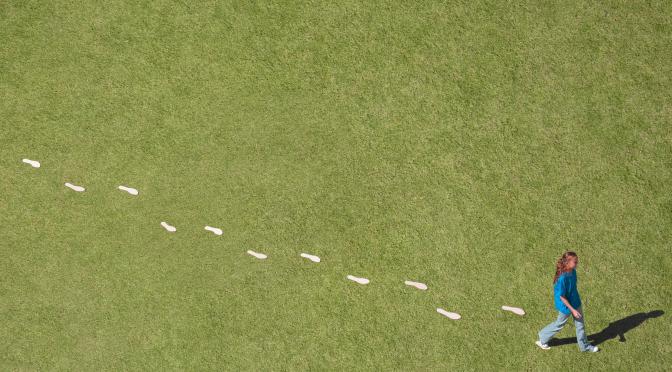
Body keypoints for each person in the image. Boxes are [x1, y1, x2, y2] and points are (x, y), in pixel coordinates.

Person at [536, 251, 599, 352]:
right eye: (575, 262)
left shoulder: (573, 271)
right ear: (568, 263)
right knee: (559, 324)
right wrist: (573, 310)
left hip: (575, 301)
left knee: (580, 325)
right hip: (565, 305)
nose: (577, 263)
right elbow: (562, 297)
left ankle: (584, 347)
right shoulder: (562, 278)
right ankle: (543, 337)